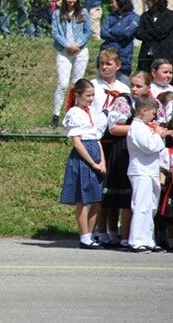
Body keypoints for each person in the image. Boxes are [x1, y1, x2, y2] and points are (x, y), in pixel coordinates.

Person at [100, 71, 151, 248]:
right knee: (117, 193)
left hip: (141, 150)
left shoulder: (151, 103)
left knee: (133, 196)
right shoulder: (124, 101)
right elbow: (114, 128)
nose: (135, 89)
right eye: (133, 85)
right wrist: (139, 127)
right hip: (122, 149)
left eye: (139, 86)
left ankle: (130, 235)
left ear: (147, 87)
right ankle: (112, 232)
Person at [59, 78, 107, 249]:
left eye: (93, 95)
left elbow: (96, 138)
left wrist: (101, 161)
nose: (91, 98)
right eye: (88, 95)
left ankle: (91, 233)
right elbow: (77, 142)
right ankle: (84, 236)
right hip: (83, 158)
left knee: (97, 199)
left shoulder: (91, 112)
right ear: (78, 95)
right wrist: (92, 163)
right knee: (83, 199)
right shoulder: (74, 113)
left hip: (95, 152)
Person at [126, 94, 168, 252]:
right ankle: (136, 240)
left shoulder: (144, 127)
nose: (154, 117)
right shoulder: (136, 127)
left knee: (151, 206)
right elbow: (149, 146)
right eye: (152, 113)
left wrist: (158, 135)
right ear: (144, 111)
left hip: (150, 171)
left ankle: (148, 239)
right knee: (141, 205)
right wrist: (157, 134)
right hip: (140, 171)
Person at [50, 0, 92, 128]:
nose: (71, 0)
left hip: (80, 51)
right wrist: (68, 45)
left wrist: (77, 44)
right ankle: (56, 115)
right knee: (62, 84)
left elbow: (88, 32)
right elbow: (55, 32)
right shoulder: (57, 13)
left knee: (76, 83)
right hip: (64, 51)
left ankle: (73, 113)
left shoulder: (83, 12)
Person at [99, 0, 140, 84]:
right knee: (103, 85)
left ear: (120, 1)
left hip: (123, 56)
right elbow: (103, 33)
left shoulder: (134, 17)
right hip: (107, 54)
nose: (110, 5)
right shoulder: (110, 16)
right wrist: (120, 32)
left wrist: (111, 30)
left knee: (122, 87)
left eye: (112, 2)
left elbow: (127, 33)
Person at [136, 0, 173, 79]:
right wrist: (153, 32)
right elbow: (138, 33)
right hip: (147, 55)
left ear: (156, 1)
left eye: (148, 0)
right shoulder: (145, 16)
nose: (146, 2)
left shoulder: (169, 15)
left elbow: (162, 31)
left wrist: (147, 33)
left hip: (163, 54)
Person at [90, 49, 130, 116]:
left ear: (118, 66)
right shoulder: (92, 85)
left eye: (108, 64)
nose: (104, 67)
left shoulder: (124, 88)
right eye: (102, 63)